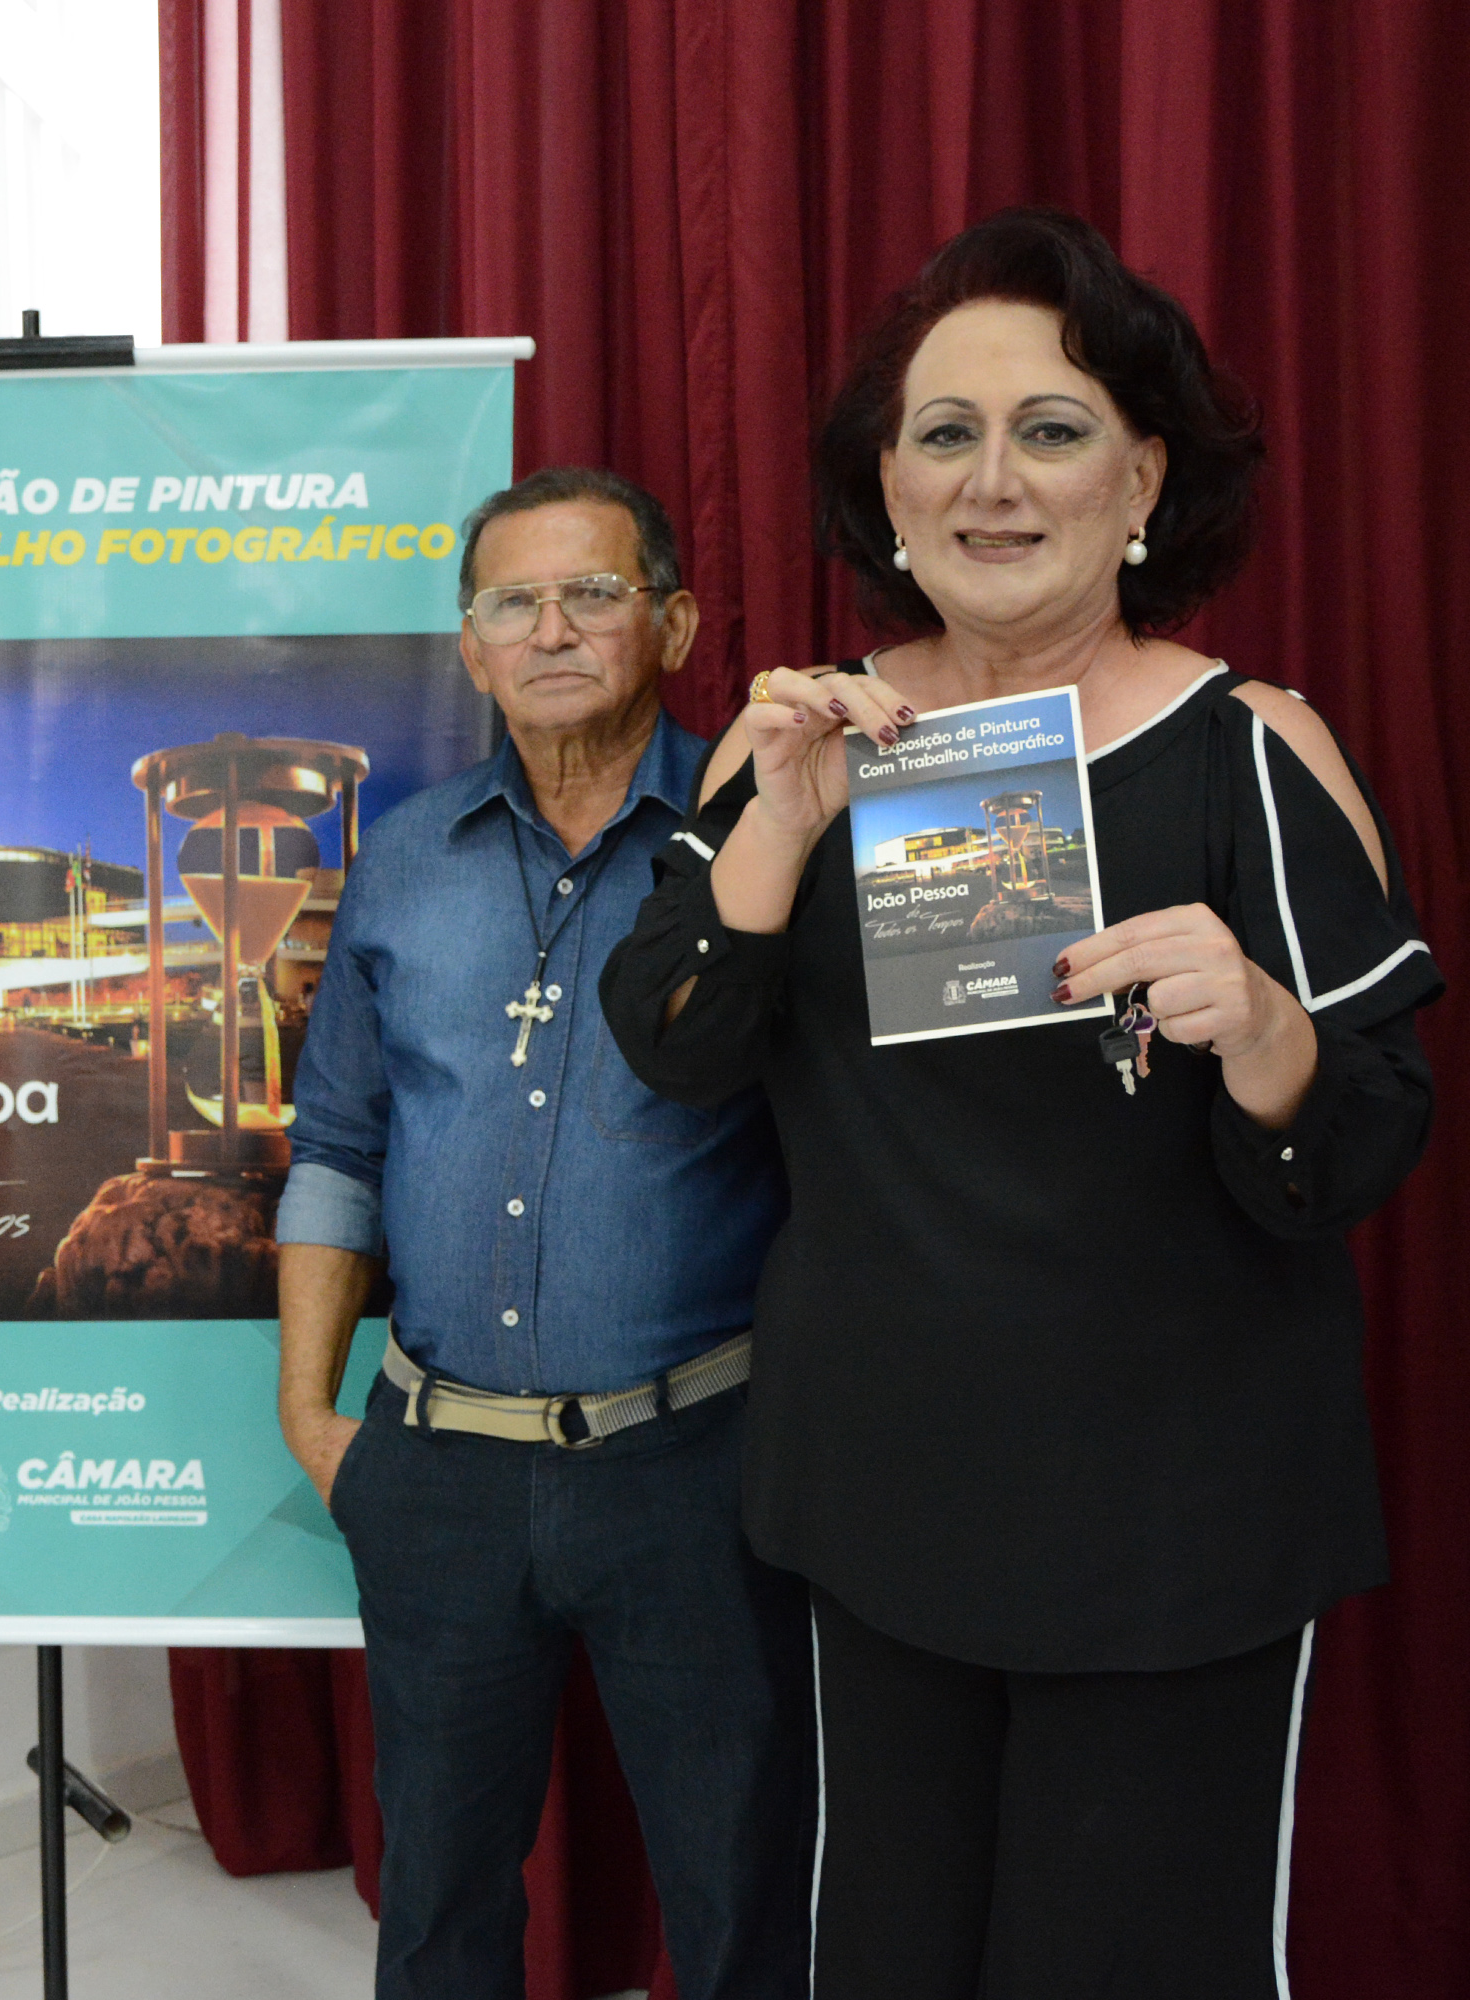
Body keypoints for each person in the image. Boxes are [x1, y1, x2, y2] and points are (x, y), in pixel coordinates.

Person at [600, 208, 1440, 2000]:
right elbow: (672, 1046)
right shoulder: (799, 741)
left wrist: (1263, 1030)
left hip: (1176, 1515)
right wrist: (784, 829)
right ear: (887, 489)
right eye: (946, 434)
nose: (994, 481)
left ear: (1143, 479)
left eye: (1051, 431)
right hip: (878, 1495)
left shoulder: (1251, 746)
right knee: (882, 1957)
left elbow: (1366, 1139)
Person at [279, 466, 810, 1999]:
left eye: (593, 593)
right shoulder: (401, 860)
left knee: (742, 1898)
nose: (552, 629)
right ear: (471, 645)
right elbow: (337, 1148)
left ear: (675, 626)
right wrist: (311, 1418)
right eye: (513, 602)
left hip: (696, 1472)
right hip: (434, 1469)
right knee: (437, 1908)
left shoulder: (767, 834)